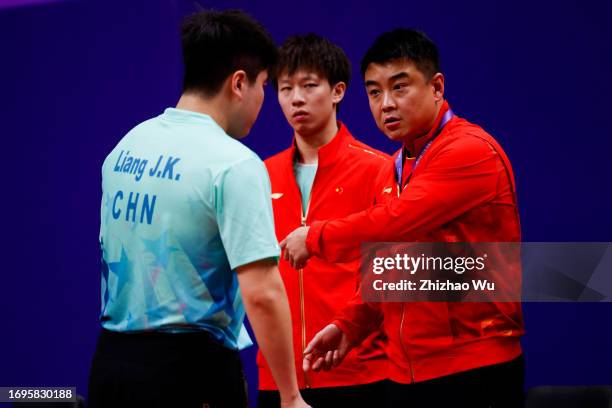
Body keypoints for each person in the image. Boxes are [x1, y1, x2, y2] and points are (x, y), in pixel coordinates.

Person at [281, 29, 525, 407]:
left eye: (400, 87)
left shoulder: (469, 150)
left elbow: (397, 220)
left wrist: (314, 237)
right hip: (406, 373)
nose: (386, 104)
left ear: (437, 87)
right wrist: (349, 325)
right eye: (375, 92)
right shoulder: (396, 167)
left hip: (472, 370)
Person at [89, 10, 309, 408]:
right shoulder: (235, 164)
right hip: (190, 374)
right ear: (239, 83)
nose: (266, 101)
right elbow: (261, 292)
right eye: (265, 85)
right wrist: (291, 397)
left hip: (110, 365)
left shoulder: (125, 147)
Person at [257, 34, 389, 408]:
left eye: (309, 85)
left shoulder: (378, 169)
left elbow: (391, 269)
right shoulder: (260, 176)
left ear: (338, 91)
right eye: (285, 88)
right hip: (280, 381)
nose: (296, 98)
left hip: (359, 372)